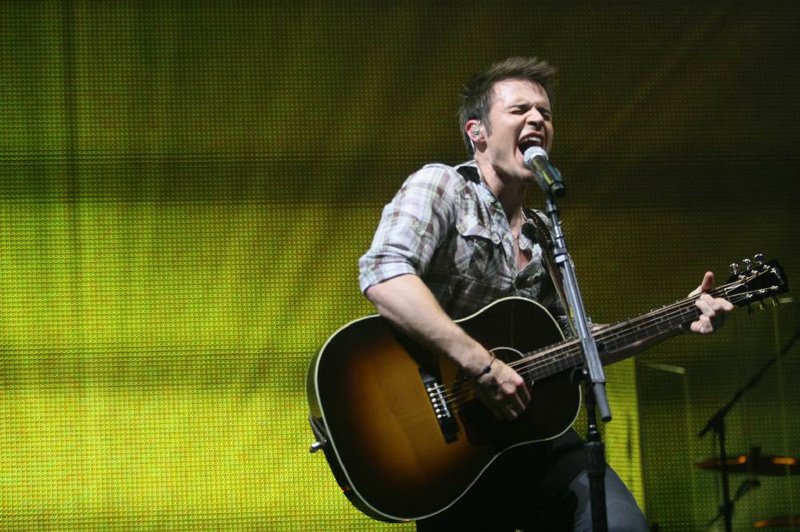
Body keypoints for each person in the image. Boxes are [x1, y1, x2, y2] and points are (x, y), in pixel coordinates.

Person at [358, 57, 733, 531]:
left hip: (530, 437)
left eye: (545, 113)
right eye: (520, 110)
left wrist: (681, 317)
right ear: (476, 131)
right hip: (450, 450)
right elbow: (385, 275)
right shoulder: (442, 186)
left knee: (622, 527)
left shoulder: (543, 233)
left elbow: (581, 341)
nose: (537, 119)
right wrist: (481, 363)